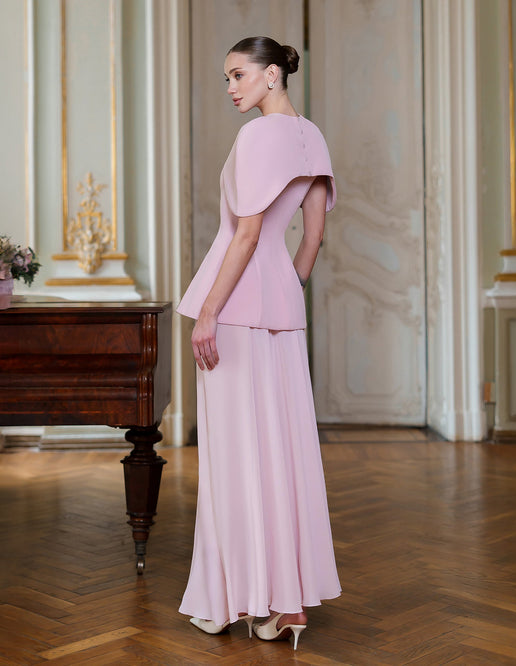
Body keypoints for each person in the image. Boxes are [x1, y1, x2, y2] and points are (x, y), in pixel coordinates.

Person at [177, 36, 341, 651]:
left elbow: (245, 234)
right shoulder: (313, 137)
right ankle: (283, 607)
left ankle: (232, 602)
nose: (231, 88)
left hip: (234, 308)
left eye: (239, 75)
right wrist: (283, 289)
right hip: (280, 307)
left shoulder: (255, 138)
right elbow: (313, 237)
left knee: (234, 459)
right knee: (280, 453)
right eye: (227, 78)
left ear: (272, 75)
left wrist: (209, 313)